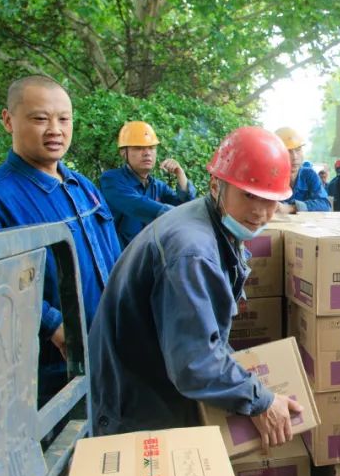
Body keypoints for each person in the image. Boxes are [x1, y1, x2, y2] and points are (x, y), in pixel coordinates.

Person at [87, 126, 303, 441]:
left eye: (271, 200)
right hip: (134, 398)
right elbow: (194, 363)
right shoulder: (193, 251)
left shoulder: (214, 225)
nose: (260, 211)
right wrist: (260, 401)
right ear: (216, 186)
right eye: (248, 195)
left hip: (153, 373)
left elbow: (203, 336)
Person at [0, 76, 121, 404]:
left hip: (107, 356)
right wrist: (52, 324)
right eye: (40, 119)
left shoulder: (82, 187)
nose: (55, 130)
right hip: (48, 376)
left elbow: (113, 257)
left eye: (64, 119)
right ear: (8, 120)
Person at [100, 121, 196, 247]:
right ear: (124, 152)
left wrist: (180, 174)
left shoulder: (158, 187)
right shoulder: (111, 180)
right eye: (139, 148)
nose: (147, 153)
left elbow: (186, 207)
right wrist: (175, 214)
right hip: (118, 256)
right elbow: (137, 205)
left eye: (151, 148)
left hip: (149, 256)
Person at [274, 126, 331, 213]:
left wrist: (292, 207)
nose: (294, 157)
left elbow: (325, 204)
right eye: (288, 151)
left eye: (298, 150)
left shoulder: (309, 175)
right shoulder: (269, 177)